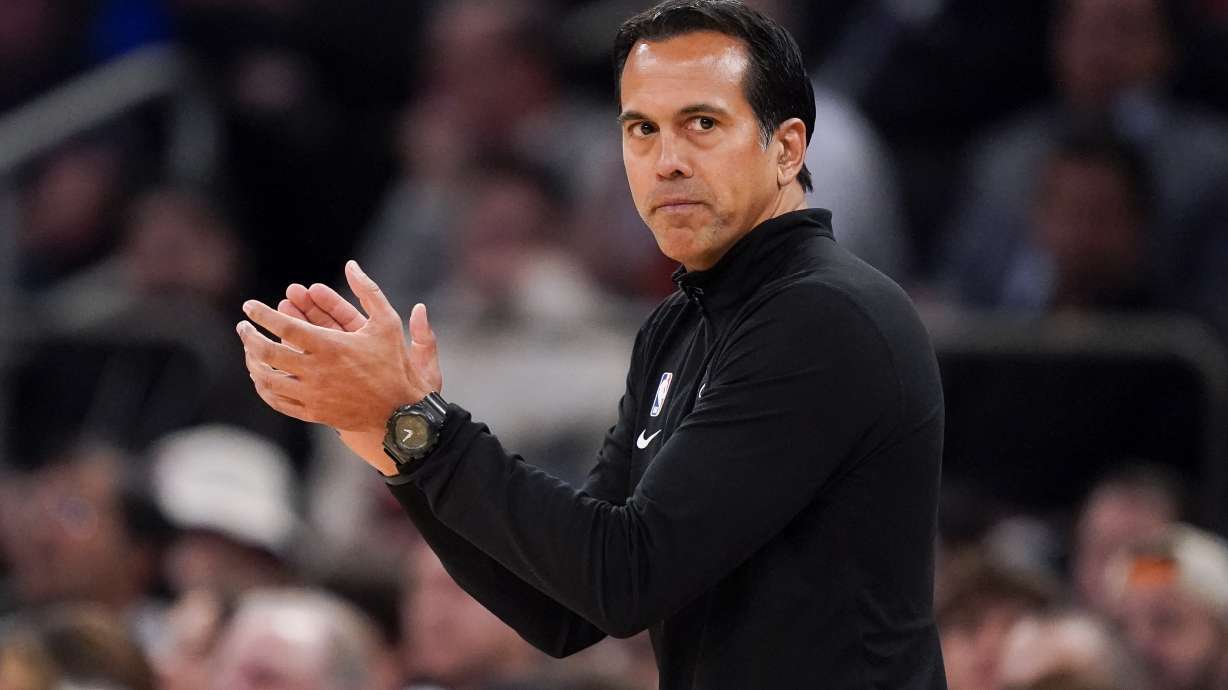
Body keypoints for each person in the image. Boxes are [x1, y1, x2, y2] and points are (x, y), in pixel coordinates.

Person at [236, 1, 946, 687]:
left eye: (702, 123)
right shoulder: (679, 324)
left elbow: (624, 576)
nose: (666, 161)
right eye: (642, 129)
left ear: (786, 146)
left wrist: (422, 431)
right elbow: (565, 609)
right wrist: (397, 445)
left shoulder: (824, 316)